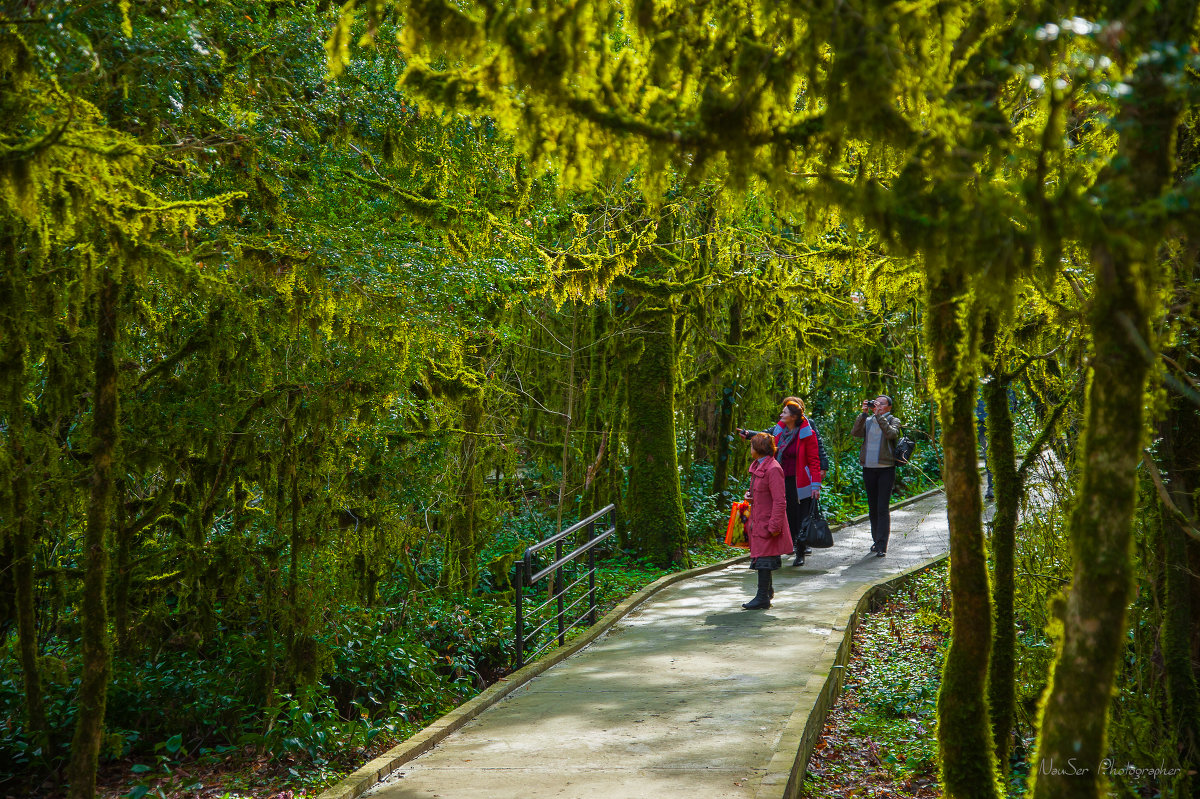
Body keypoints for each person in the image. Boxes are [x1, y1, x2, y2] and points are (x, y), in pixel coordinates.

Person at [737, 398, 823, 566]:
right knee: (785, 516)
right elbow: (763, 438)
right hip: (779, 478)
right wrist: (748, 434)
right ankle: (783, 548)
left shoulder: (807, 433)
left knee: (800, 518)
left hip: (800, 482)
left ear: (793, 416)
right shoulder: (779, 431)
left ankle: (800, 551)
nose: (781, 414)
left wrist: (816, 485)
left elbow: (814, 460)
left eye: (784, 412)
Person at [741, 433, 793, 609]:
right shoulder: (758, 466)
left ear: (758, 449)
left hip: (768, 521)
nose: (750, 449)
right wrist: (750, 497)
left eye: (752, 446)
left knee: (763, 559)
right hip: (758, 519)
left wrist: (774, 525)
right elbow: (762, 493)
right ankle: (767, 592)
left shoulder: (773, 469)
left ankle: (762, 597)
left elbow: (780, 500)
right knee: (762, 558)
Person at [851, 394, 902, 557]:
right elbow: (856, 432)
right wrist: (864, 413)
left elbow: (891, 434)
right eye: (876, 402)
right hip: (868, 468)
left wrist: (880, 417)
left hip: (886, 468)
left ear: (888, 407)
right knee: (872, 508)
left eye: (882, 403)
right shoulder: (868, 420)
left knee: (882, 508)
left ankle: (882, 544)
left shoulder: (893, 420)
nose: (877, 404)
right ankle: (876, 541)